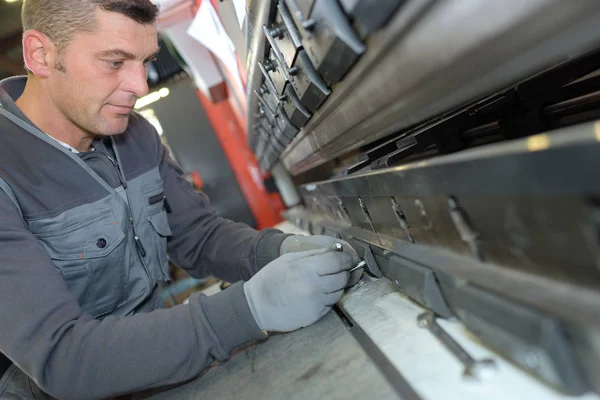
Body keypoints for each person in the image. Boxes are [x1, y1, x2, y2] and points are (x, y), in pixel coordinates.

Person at [0, 1, 361, 398]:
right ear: (40, 54)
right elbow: (63, 358)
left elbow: (197, 235)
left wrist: (278, 249)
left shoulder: (134, 135)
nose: (140, 85)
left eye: (146, 61)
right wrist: (250, 309)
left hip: (162, 369)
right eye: (115, 62)